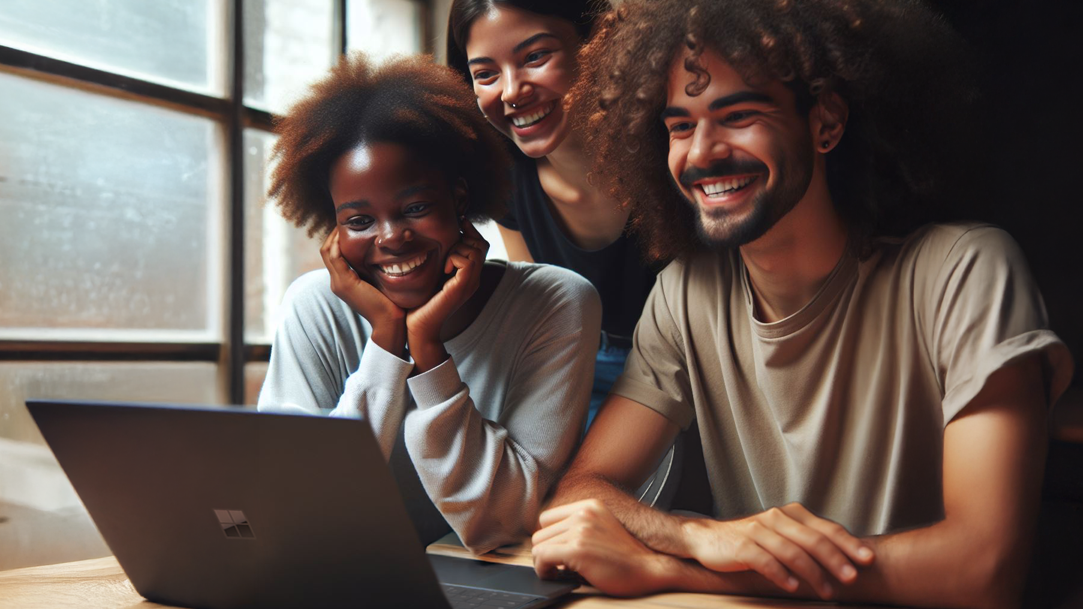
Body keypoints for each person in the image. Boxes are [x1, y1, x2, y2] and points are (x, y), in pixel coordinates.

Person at [528, 1, 1075, 608]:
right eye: (680, 126)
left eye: (738, 115)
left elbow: (984, 570)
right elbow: (578, 499)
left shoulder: (964, 272)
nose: (702, 152)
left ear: (826, 123)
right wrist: (699, 536)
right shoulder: (686, 294)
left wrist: (672, 570)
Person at [257, 54, 601, 555]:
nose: (392, 238)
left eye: (415, 208)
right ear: (333, 230)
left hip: (490, 581)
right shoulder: (315, 308)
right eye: (358, 221)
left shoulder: (555, 303)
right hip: (343, 581)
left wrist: (428, 350)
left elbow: (507, 518)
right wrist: (386, 342)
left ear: (459, 200)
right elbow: (295, 507)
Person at [446, 0, 656, 427]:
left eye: (535, 57)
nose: (511, 91)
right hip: (572, 366)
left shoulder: (670, 153)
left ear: (598, 45)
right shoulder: (507, 184)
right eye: (485, 74)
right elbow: (544, 314)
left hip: (675, 375)